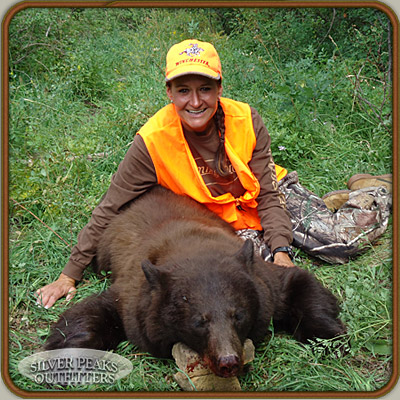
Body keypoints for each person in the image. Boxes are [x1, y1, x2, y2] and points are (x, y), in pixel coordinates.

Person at [36, 39, 392, 309]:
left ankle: (370, 189)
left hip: (268, 194)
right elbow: (109, 208)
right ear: (169, 93)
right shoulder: (152, 142)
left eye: (205, 89)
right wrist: (69, 274)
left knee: (341, 245)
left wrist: (282, 246)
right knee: (256, 274)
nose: (195, 101)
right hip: (227, 223)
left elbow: (267, 193)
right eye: (184, 90)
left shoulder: (246, 120)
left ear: (220, 88)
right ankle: (324, 210)